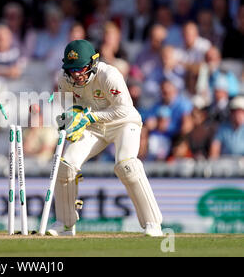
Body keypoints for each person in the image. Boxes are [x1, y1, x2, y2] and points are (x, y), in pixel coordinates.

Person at [49, 39, 163, 237]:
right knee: (66, 165)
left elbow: (123, 109)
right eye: (72, 69)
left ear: (92, 63)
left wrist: (90, 116)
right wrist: (71, 118)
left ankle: (153, 223)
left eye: (81, 68)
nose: (76, 74)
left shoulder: (109, 74)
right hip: (92, 126)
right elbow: (69, 107)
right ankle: (65, 223)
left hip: (123, 123)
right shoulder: (63, 79)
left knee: (127, 165)